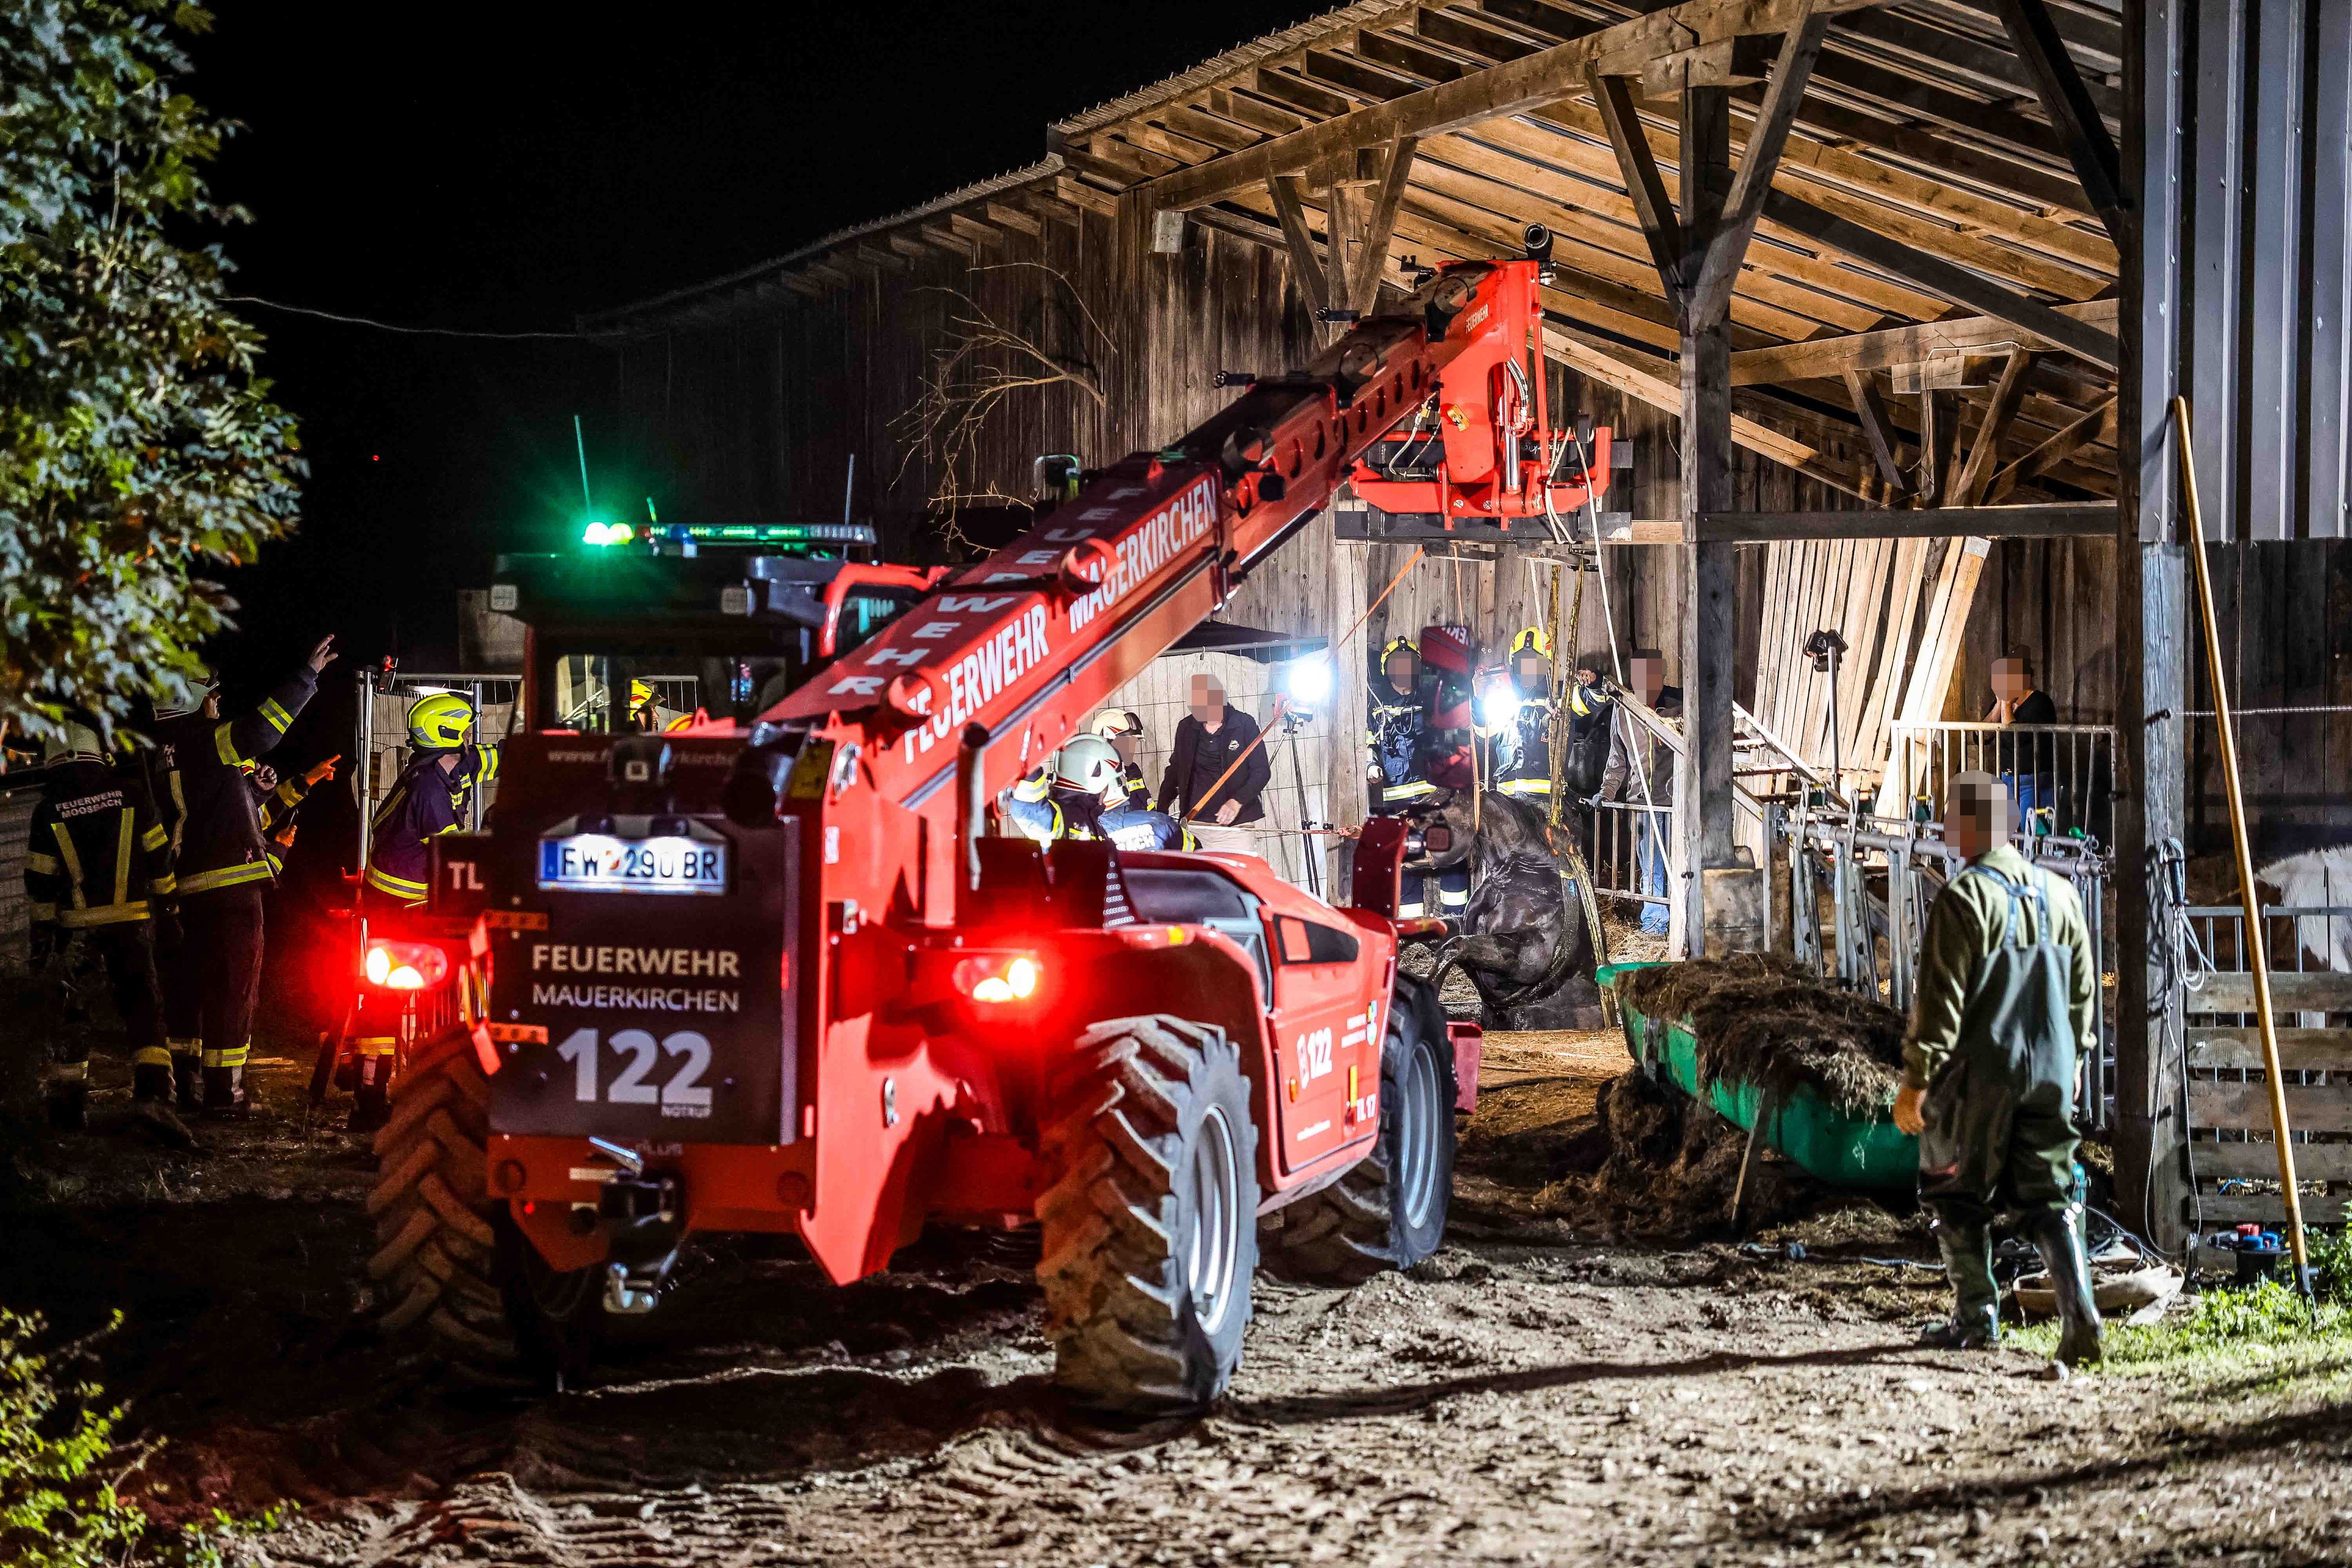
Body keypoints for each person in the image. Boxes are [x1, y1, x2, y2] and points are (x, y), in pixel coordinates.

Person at [1892, 770, 2102, 1366]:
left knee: (1954, 1187)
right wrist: (2078, 1057)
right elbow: (2082, 992)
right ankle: (2078, 1312)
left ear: (1967, 829)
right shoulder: (2061, 895)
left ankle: (1977, 1316)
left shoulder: (1963, 900)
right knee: (2050, 1196)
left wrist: (1915, 1082)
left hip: (1982, 1075)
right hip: (2053, 1071)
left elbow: (1940, 1004)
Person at [151, 637, 337, 1115]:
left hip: (191, 889)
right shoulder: (207, 739)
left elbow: (215, 811)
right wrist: (306, 676)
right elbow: (260, 730)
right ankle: (226, 1096)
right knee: (233, 994)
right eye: (210, 694)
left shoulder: (158, 753)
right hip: (231, 889)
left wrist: (271, 788)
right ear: (188, 696)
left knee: (193, 992)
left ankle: (188, 1087)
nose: (217, 701)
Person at [352, 692, 497, 1131]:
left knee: (391, 998)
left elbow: (481, 762)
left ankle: (375, 1093)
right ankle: (372, 1099)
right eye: (467, 732)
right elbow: (453, 853)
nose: (472, 740)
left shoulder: (435, 767)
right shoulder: (431, 789)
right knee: (391, 999)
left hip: (402, 899)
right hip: (399, 907)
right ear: (449, 734)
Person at [22, 721, 178, 1125]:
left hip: (77, 932)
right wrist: (172, 913)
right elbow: (160, 859)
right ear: (99, 754)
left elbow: (40, 885)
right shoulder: (132, 794)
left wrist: (42, 944)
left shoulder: (48, 810)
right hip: (133, 924)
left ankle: (67, 1108)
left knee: (73, 1015)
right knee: (144, 1008)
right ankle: (153, 1096)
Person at [1593, 647, 1679, 938]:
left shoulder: (1678, 707)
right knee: (1652, 866)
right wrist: (1605, 794)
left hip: (1676, 803)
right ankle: (1656, 928)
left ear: (1661, 675)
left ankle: (1682, 924)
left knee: (1681, 867)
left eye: (1652, 674)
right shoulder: (1624, 710)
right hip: (1643, 803)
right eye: (1640, 674)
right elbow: (1617, 761)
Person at [1005, 737, 1195, 850]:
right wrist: (1025, 757)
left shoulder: (1089, 820)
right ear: (1095, 779)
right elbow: (1027, 810)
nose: (1108, 790)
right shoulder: (1064, 819)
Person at [1156, 673, 1269, 856]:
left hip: (1236, 830)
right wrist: (1161, 809)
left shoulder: (1244, 724)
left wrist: (1236, 802)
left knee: (1236, 882)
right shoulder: (1186, 727)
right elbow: (1174, 772)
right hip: (1195, 826)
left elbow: (1261, 771)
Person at [1986, 653, 2058, 833]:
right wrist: (1998, 705)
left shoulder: (2040, 702)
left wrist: (2006, 707)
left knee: (2032, 833)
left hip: (2032, 781)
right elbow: (1982, 736)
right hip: (2008, 779)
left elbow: (2013, 739)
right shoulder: (2004, 704)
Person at [1484, 627, 1559, 799]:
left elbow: (1588, 701)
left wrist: (1594, 683)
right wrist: (1480, 697)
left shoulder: (1558, 696)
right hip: (1506, 802)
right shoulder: (1502, 697)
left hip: (1543, 803)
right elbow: (1483, 733)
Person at [1366, 637, 1434, 808]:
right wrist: (1370, 766)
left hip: (1434, 798)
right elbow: (1369, 744)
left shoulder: (1431, 703)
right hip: (1397, 802)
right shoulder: (1377, 708)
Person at [1090, 709, 1154, 808]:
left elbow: (1148, 806)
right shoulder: (1095, 777)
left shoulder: (1133, 770)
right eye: (1126, 744)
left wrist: (1157, 820)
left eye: (1133, 743)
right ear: (1105, 743)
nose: (1132, 749)